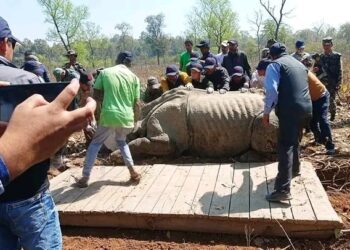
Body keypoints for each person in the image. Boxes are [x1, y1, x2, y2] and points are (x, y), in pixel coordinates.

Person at [76, 51, 141, 188]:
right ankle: (132, 171)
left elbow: (97, 96)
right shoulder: (134, 78)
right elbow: (137, 103)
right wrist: (135, 121)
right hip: (127, 117)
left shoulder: (105, 73)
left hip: (109, 115)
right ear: (129, 63)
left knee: (95, 143)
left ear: (117, 60)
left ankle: (85, 177)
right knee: (121, 142)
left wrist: (96, 117)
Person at [263, 42, 312, 202]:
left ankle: (283, 190)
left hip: (290, 109)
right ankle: (295, 169)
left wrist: (266, 112)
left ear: (272, 55)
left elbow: (271, 90)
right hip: (306, 108)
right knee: (294, 140)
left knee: (285, 145)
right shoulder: (299, 64)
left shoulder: (274, 65)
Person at [318, 37, 342, 121]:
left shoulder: (336, 56)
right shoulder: (320, 57)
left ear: (331, 45)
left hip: (333, 82)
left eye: (328, 45)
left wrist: (339, 83)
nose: (326, 47)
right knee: (322, 99)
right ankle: (323, 116)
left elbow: (340, 70)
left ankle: (332, 116)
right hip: (322, 82)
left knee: (331, 100)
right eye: (324, 45)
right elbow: (317, 70)